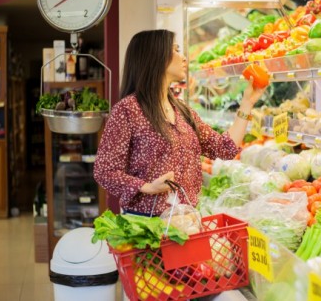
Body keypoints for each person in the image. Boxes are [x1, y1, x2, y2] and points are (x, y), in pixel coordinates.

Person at [93, 29, 266, 216]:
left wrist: (247, 103)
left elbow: (225, 148)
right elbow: (105, 171)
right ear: (155, 56)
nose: (184, 58)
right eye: (176, 50)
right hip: (147, 224)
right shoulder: (127, 110)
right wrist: (147, 187)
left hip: (186, 222)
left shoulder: (182, 110)